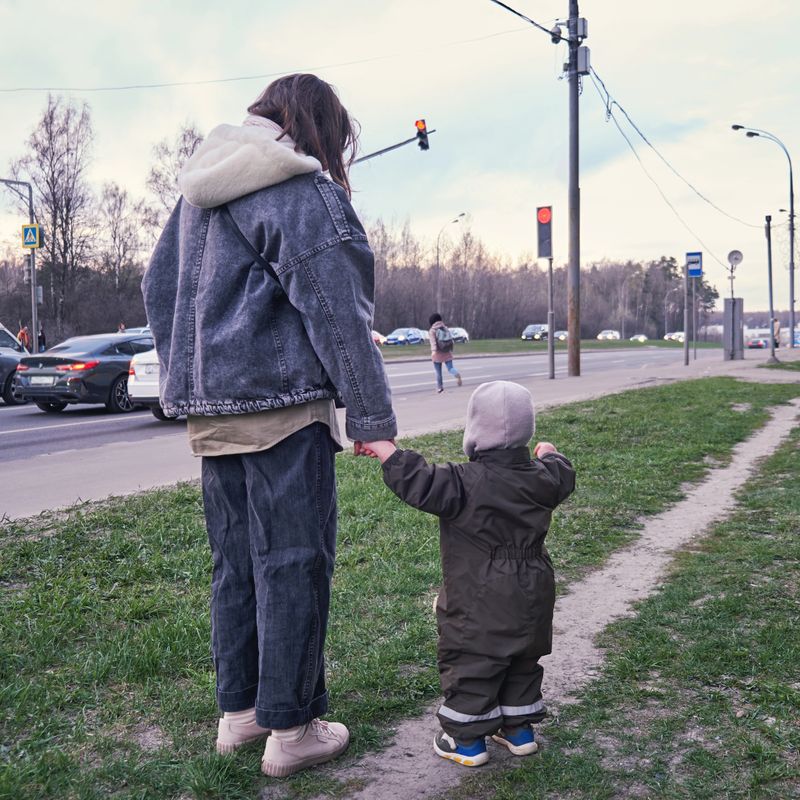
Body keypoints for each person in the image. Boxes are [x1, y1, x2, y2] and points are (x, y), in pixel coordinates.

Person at [142, 73, 396, 778]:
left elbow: (159, 289)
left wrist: (187, 384)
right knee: (294, 563)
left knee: (236, 566)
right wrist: (371, 416)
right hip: (283, 411)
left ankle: (242, 713)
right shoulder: (299, 188)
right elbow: (337, 307)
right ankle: (292, 730)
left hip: (214, 413)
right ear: (318, 128)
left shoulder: (199, 190)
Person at [362, 381, 575, 767]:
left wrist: (384, 448)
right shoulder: (543, 477)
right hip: (534, 591)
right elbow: (563, 472)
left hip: (480, 594)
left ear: (475, 434)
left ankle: (467, 741)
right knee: (523, 657)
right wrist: (550, 452)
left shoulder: (462, 482)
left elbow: (417, 480)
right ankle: (519, 731)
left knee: (474, 661)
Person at [428, 313, 461, 393]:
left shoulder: (432, 331)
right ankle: (456, 373)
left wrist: (433, 351)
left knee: (438, 372)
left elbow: (433, 342)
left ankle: (440, 388)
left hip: (437, 353)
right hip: (447, 351)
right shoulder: (445, 328)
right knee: (450, 368)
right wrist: (451, 349)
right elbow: (450, 340)